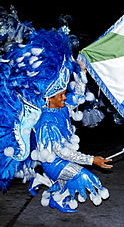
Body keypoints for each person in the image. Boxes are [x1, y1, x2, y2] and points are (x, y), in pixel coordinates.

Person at [29, 63, 112, 213]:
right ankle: (57, 198)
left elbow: (79, 97)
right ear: (49, 98)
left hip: (63, 159)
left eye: (64, 93)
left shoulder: (62, 107)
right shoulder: (47, 122)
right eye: (60, 95)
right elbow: (61, 152)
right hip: (54, 163)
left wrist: (81, 72)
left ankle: (53, 193)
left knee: (69, 181)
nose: (64, 97)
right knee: (84, 177)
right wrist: (92, 160)